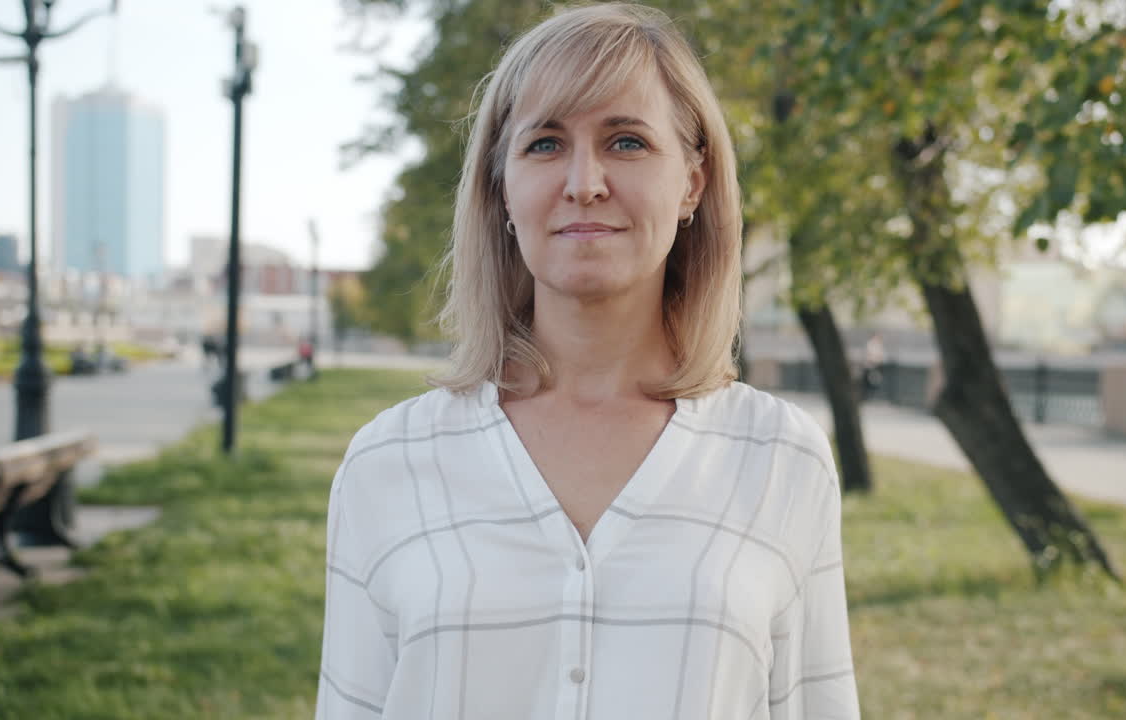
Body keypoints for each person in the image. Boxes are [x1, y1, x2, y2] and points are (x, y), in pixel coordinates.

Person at [315, 4, 860, 719]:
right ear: (502, 189)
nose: (584, 182)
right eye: (544, 144)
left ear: (693, 183)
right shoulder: (388, 463)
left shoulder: (781, 460)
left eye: (627, 141)